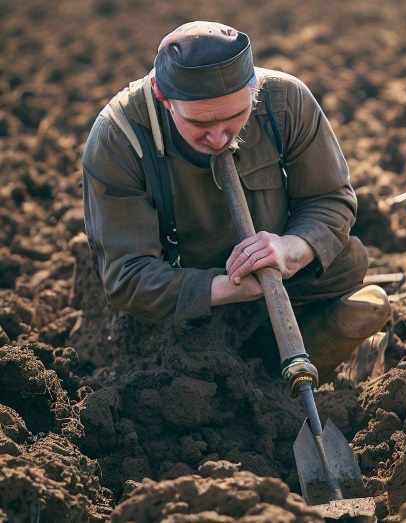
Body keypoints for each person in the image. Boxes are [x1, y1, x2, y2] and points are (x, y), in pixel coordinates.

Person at [82, 21, 390, 380]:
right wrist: (225, 288)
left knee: (346, 259)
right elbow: (128, 277)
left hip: (277, 279)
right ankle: (265, 363)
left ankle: (288, 358)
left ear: (254, 88)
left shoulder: (286, 101)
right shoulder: (118, 138)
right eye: (199, 123)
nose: (217, 138)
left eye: (234, 118)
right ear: (162, 96)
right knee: (178, 361)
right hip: (187, 303)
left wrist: (289, 250)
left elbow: (331, 199)